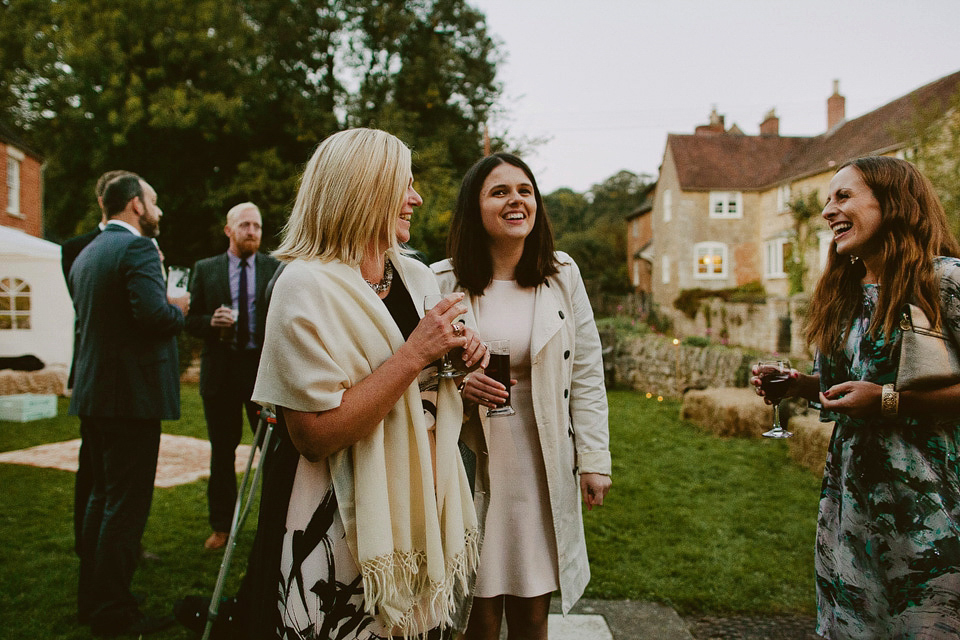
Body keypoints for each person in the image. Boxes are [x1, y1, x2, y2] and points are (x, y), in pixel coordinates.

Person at [247, 128, 487, 639]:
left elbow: (428, 385)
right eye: (406, 184)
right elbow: (312, 436)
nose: (417, 198)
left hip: (418, 498)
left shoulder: (416, 276)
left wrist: (459, 362)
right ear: (365, 188)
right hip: (337, 512)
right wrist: (416, 352)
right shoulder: (303, 286)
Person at [751, 156, 960, 638]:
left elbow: (879, 395)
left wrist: (890, 401)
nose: (828, 211)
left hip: (933, 511)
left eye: (843, 196)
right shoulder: (845, 289)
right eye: (827, 199)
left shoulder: (943, 281)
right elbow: (847, 389)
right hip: (852, 507)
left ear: (894, 204)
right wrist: (802, 386)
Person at [431, 152, 612, 640]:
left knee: (534, 609)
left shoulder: (561, 275)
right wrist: (458, 384)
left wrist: (595, 459)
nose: (516, 200)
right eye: (500, 191)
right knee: (477, 606)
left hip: (542, 456)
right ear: (476, 208)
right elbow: (417, 373)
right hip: (471, 459)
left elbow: (589, 370)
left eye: (525, 190)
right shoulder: (440, 281)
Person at [68, 174, 190, 637]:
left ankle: (94, 599)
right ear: (136, 205)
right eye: (154, 201)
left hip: (94, 394)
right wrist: (177, 305)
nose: (158, 210)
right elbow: (152, 316)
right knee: (125, 506)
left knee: (100, 500)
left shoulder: (88, 253)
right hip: (131, 399)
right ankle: (114, 612)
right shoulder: (136, 249)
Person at [186, 201, 280, 551]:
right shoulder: (206, 269)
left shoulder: (276, 267)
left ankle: (275, 524)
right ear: (229, 230)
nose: (252, 231)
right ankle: (221, 527)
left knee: (273, 452)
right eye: (244, 226)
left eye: (256, 225)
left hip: (263, 376)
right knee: (222, 453)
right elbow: (190, 319)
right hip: (221, 375)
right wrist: (210, 322)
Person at [61, 169, 137, 558]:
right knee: (95, 474)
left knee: (110, 485)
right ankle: (90, 549)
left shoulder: (138, 246)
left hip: (105, 380)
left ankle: (116, 549)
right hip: (106, 380)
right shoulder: (77, 248)